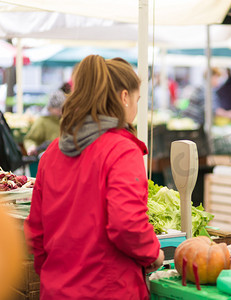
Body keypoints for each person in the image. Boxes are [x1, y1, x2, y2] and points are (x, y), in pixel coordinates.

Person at [24, 55, 164, 300]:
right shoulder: (122, 150)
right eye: (137, 99)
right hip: (108, 290)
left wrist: (54, 276)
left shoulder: (53, 152)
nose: (136, 107)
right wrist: (154, 255)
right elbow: (127, 225)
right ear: (124, 97)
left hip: (56, 290)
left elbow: (36, 232)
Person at [23, 89, 66, 156]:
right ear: (50, 108)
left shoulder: (66, 120)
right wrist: (31, 147)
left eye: (62, 109)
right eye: (58, 109)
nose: (61, 112)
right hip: (48, 158)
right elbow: (30, 139)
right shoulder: (42, 121)